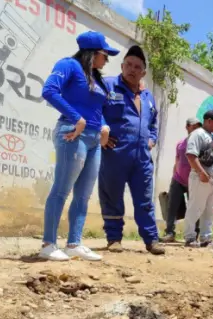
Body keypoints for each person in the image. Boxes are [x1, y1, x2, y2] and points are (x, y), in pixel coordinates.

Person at [39, 31, 119, 261]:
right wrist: (76, 117)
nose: (107, 60)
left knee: (83, 195)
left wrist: (104, 127)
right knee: (61, 189)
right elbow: (49, 91)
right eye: (105, 55)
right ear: (92, 53)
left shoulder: (95, 77)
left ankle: (74, 243)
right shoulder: (69, 65)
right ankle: (48, 244)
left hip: (94, 139)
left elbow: (96, 109)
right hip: (72, 134)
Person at [99, 45, 164, 255]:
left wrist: (152, 139)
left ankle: (151, 240)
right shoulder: (108, 85)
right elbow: (95, 110)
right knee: (112, 196)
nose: (132, 69)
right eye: (128, 65)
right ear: (122, 65)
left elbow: (153, 123)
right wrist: (102, 132)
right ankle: (114, 238)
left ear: (143, 72)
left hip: (142, 158)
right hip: (115, 154)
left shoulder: (148, 97)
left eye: (137, 67)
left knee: (145, 200)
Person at [183, 110, 213, 247]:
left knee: (209, 210)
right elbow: (190, 155)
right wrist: (201, 172)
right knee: (195, 207)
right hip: (201, 177)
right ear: (208, 121)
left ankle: (206, 238)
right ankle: (189, 237)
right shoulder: (197, 134)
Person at [161, 117, 202, 242]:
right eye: (193, 126)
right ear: (187, 127)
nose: (195, 129)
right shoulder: (180, 144)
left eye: (197, 127)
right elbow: (177, 160)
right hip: (178, 179)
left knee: (194, 208)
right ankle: (169, 233)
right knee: (171, 206)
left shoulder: (200, 144)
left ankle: (194, 234)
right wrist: (174, 176)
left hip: (193, 180)